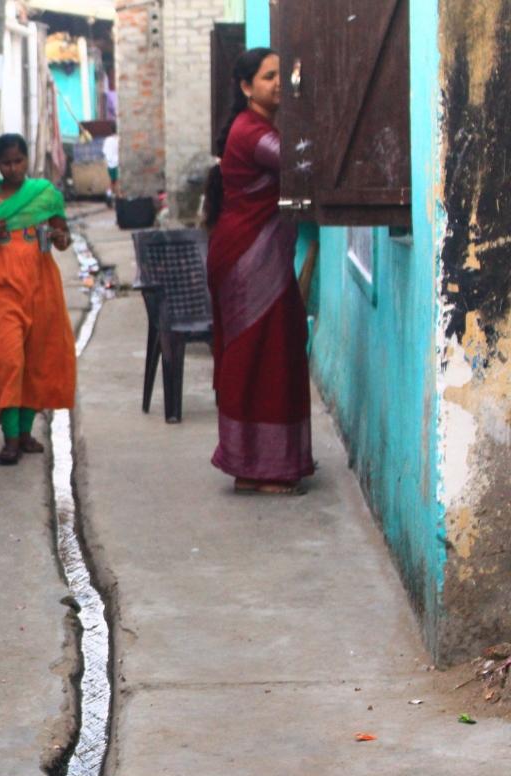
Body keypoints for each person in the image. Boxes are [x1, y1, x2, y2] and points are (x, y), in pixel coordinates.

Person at [203, 48, 314, 495]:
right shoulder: (252, 132)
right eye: (269, 76)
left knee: (269, 352)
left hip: (257, 253)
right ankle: (261, 468)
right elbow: (300, 164)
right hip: (248, 258)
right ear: (247, 87)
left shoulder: (259, 127)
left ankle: (255, 465)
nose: (279, 83)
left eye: (282, 75)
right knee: (259, 355)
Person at [0, 132, 77, 466]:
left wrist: (59, 237)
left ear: (27, 160)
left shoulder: (43, 195)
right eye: (6, 163)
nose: (13, 168)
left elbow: (63, 236)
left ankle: (25, 433)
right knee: (7, 360)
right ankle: (9, 438)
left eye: (18, 161)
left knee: (37, 359)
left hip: (40, 287)